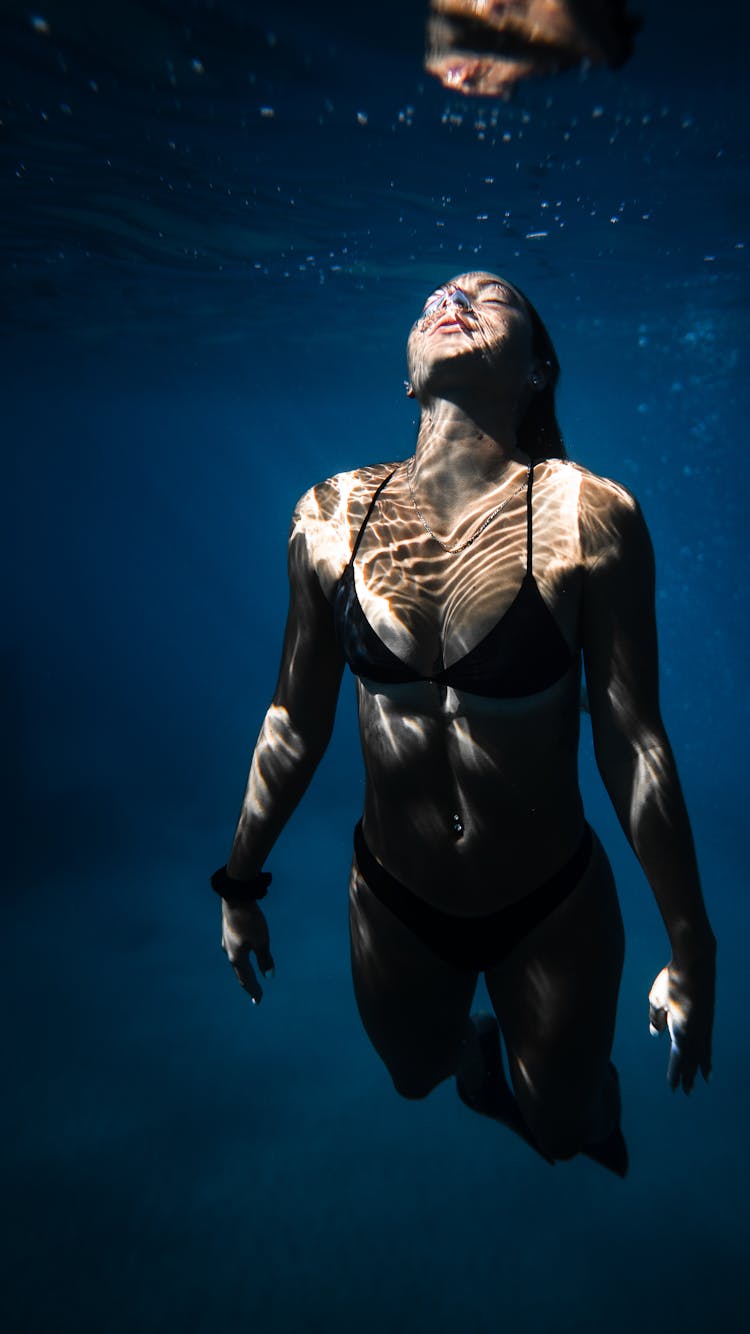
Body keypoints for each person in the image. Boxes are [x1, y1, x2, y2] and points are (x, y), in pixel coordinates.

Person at [211, 271, 716, 1176]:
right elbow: (293, 719)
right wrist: (238, 885)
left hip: (550, 906)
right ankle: (482, 1066)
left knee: (566, 1134)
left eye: (495, 295)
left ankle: (570, 1106)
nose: (457, 298)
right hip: (396, 901)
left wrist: (692, 945)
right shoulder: (329, 517)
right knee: (413, 1076)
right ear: (409, 373)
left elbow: (633, 740)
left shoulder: (589, 515)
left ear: (538, 368)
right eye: (437, 295)